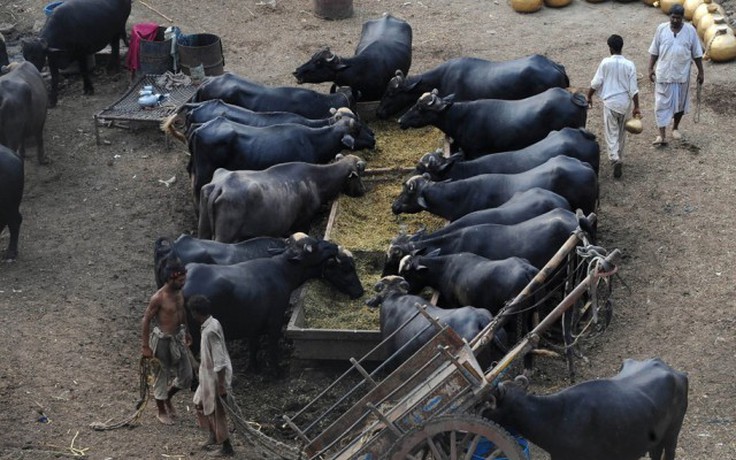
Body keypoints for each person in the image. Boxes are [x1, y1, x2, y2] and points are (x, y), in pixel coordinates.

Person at [141, 259, 193, 425]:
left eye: (184, 279)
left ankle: (168, 397)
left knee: (187, 376)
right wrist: (145, 346)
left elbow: (182, 310)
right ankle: (161, 410)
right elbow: (146, 320)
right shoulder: (159, 298)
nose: (183, 283)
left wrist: (188, 331)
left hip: (178, 337)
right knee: (161, 376)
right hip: (162, 340)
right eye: (180, 280)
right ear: (170, 279)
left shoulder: (179, 292)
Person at [647, 3, 704, 146]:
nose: (675, 21)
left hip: (681, 75)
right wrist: (650, 68)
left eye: (678, 18)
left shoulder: (690, 31)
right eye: (673, 17)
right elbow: (654, 51)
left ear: (682, 18)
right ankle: (661, 135)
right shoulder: (661, 29)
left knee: (680, 105)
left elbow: (697, 53)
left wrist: (701, 71)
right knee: (660, 104)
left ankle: (675, 128)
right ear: (669, 17)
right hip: (663, 74)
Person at [587, 34, 641, 179]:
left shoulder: (605, 63)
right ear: (621, 47)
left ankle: (614, 158)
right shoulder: (630, 65)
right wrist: (637, 107)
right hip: (625, 103)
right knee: (622, 132)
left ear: (610, 48)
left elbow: (596, 82)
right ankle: (620, 156)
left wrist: (589, 95)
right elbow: (633, 89)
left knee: (611, 132)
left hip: (610, 103)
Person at [189, 295, 235, 457]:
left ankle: (226, 447)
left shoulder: (211, 330)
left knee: (218, 411)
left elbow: (220, 360)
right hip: (207, 376)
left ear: (196, 313)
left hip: (216, 378)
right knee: (199, 403)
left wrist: (221, 385)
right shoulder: (211, 325)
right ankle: (213, 435)